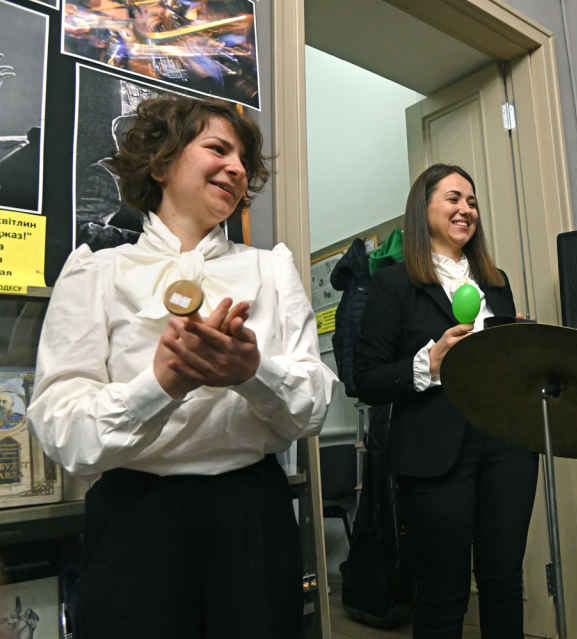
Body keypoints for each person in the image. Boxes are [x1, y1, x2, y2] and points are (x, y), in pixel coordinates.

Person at [26, 96, 338, 639]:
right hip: (134, 524)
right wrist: (160, 386)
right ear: (161, 163)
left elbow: (311, 407)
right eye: (218, 149)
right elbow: (61, 427)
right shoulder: (97, 272)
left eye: (243, 160)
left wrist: (253, 372)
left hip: (253, 518)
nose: (237, 169)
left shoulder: (271, 269)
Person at [355, 164, 538, 638]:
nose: (465, 210)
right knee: (441, 592)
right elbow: (366, 378)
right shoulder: (394, 284)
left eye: (472, 202)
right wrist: (428, 364)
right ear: (424, 208)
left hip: (508, 444)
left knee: (503, 580)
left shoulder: (496, 281)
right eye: (453, 198)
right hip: (434, 453)